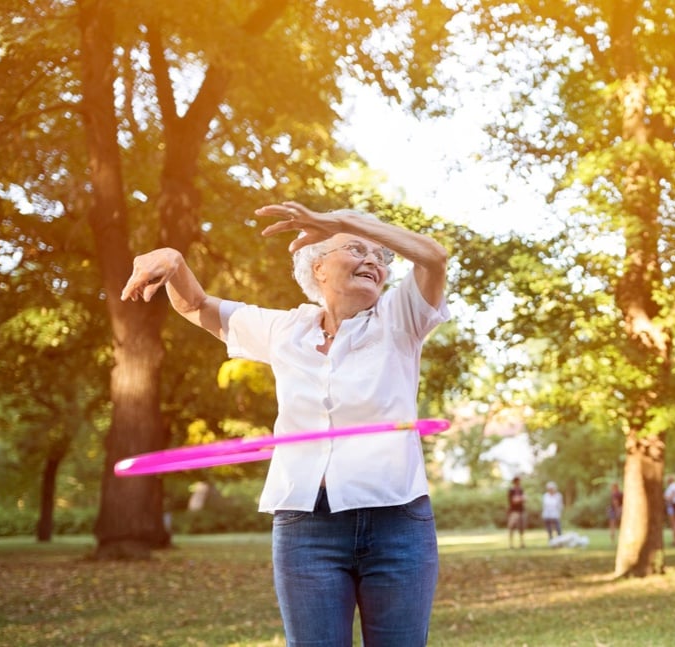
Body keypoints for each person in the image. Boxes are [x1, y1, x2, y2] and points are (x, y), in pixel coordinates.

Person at [121, 200, 450, 646]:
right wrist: (174, 262)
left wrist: (345, 224)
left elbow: (433, 256)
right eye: (356, 249)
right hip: (306, 526)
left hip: (397, 523)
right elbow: (195, 304)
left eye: (381, 256)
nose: (374, 260)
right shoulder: (284, 330)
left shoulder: (400, 318)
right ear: (318, 268)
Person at [506, 476, 526, 548]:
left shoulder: (521, 490)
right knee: (511, 527)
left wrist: (519, 499)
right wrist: (521, 499)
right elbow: (514, 501)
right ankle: (511, 544)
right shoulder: (511, 490)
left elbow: (524, 498)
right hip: (513, 512)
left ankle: (522, 543)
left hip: (521, 511)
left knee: (521, 528)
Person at [663, 475, 675, 547]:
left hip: (672, 506)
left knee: (674, 523)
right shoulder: (672, 486)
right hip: (671, 506)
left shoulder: (674, 486)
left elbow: (671, 497)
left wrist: (663, 496)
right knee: (673, 523)